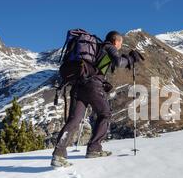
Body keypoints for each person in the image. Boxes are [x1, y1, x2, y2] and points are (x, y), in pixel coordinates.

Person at [51, 31, 144, 168]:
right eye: (120, 43)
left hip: (78, 85)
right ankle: (94, 148)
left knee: (74, 119)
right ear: (115, 41)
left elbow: (102, 66)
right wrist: (130, 59)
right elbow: (118, 62)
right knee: (105, 113)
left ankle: (58, 154)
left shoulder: (97, 49)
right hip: (92, 86)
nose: (120, 45)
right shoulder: (109, 46)